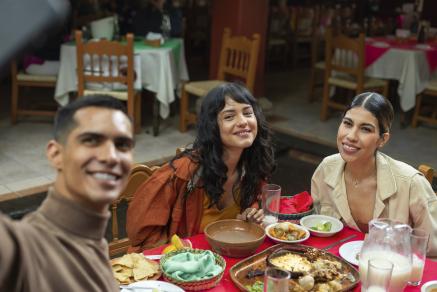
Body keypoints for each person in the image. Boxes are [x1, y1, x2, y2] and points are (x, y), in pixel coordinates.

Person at [0, 95, 135, 291]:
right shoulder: (24, 249)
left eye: (122, 145)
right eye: (91, 140)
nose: (111, 157)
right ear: (56, 154)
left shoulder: (95, 243)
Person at [127, 83, 275, 251]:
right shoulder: (186, 171)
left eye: (248, 113)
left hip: (226, 256)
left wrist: (248, 216)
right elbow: (140, 233)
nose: (243, 122)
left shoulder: (253, 166)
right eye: (229, 116)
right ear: (212, 126)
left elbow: (253, 202)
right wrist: (175, 255)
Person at [311, 92, 437, 256]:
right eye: (348, 124)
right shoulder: (327, 168)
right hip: (334, 268)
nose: (351, 136)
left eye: (365, 129)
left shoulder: (410, 183)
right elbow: (314, 226)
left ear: (383, 139)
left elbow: (432, 249)